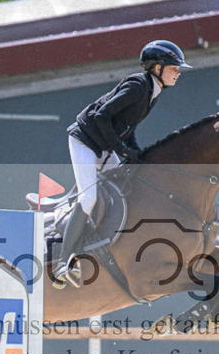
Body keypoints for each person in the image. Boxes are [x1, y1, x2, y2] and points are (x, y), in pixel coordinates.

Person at [52, 39, 192, 288]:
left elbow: (127, 127)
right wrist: (123, 150)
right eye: (174, 68)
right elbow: (101, 116)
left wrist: (136, 153)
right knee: (89, 198)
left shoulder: (152, 91)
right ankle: (63, 262)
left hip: (104, 145)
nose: (178, 72)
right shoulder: (138, 85)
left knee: (128, 185)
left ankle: (103, 242)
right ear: (156, 68)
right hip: (85, 142)